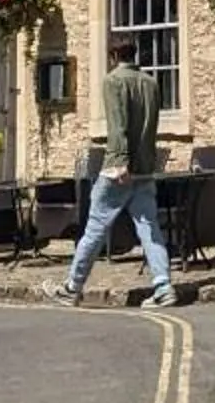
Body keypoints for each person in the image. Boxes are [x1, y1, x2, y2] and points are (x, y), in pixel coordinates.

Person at [49, 35, 179, 307]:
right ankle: (164, 287)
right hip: (144, 169)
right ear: (135, 54)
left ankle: (73, 287)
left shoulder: (113, 81)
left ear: (113, 57)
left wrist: (120, 162)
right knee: (150, 229)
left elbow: (117, 125)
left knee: (95, 227)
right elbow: (152, 126)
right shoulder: (151, 83)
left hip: (118, 171)